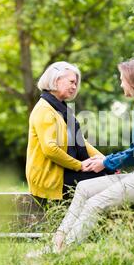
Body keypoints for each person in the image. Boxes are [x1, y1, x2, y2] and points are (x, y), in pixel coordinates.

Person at [27, 58, 134, 257]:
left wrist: (106, 162)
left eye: (123, 79)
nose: (121, 83)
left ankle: (59, 253)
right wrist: (106, 162)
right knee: (84, 187)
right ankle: (56, 243)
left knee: (95, 204)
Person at [25, 61, 109, 203]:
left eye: (75, 83)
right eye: (71, 82)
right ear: (56, 80)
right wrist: (80, 165)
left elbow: (81, 142)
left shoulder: (61, 109)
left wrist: (106, 161)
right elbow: (50, 149)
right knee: (105, 180)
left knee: (107, 173)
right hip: (50, 178)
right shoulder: (45, 110)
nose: (74, 87)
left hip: (64, 171)